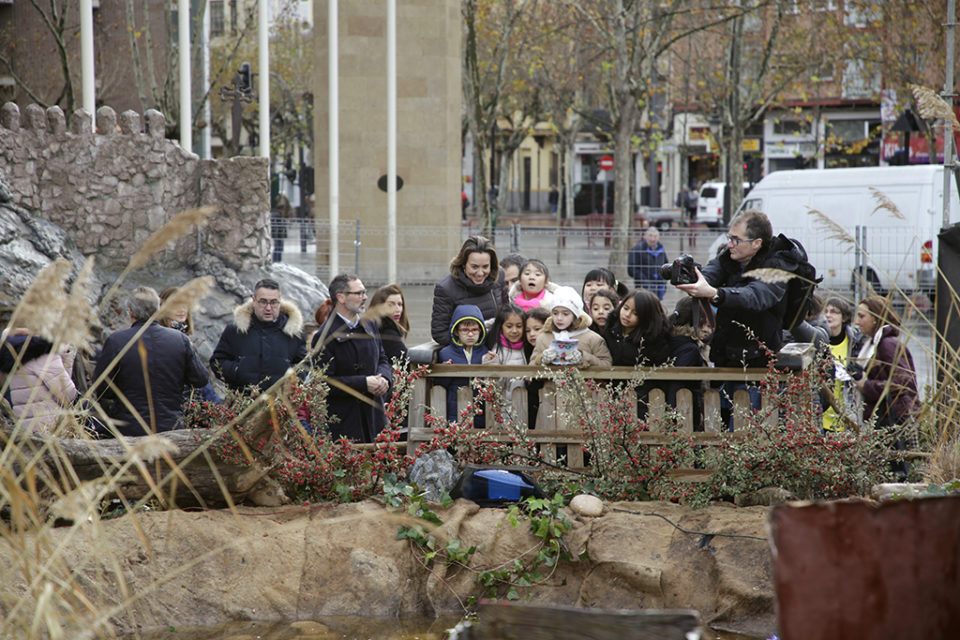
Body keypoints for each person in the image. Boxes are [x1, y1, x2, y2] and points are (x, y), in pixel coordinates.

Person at [676, 209, 797, 369]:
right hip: (724, 354)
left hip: (759, 360)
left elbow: (755, 296)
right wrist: (689, 277)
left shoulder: (777, 266)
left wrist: (716, 294)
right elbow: (710, 274)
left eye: (736, 240)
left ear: (756, 243)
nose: (730, 244)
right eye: (729, 238)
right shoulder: (729, 256)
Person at [91, 287, 210, 437]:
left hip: (128, 429)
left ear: (130, 312)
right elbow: (200, 379)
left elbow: (102, 388)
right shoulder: (180, 339)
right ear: (158, 309)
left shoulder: (116, 341)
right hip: (172, 427)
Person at [313, 274, 393, 442]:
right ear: (341, 297)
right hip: (345, 425)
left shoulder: (370, 324)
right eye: (359, 293)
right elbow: (323, 383)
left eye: (364, 292)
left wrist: (385, 379)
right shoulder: (325, 335)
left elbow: (382, 358)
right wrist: (363, 383)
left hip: (375, 419)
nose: (365, 297)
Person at [210, 278, 307, 393]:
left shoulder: (294, 332)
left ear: (280, 302)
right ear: (254, 301)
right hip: (242, 399)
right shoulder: (235, 330)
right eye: (263, 302)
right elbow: (217, 362)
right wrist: (237, 371)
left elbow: (305, 365)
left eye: (273, 302)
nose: (268, 308)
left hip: (280, 401)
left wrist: (289, 381)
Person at [852, 296, 919, 438]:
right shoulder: (872, 344)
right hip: (883, 418)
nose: (857, 322)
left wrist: (866, 385)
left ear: (876, 318)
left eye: (861, 316)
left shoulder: (887, 344)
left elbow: (903, 382)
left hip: (893, 420)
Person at [431, 235, 507, 346]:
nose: (480, 273)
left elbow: (506, 314)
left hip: (498, 346)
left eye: (485, 267)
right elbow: (440, 333)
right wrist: (470, 345)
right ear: (463, 264)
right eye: (474, 267)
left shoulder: (499, 276)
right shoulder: (446, 289)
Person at [3, 330, 77, 433]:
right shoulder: (43, 353)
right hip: (49, 427)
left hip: (26, 428)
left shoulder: (13, 351)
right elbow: (67, 394)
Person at [158, 286, 221, 404]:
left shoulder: (184, 336)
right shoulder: (161, 337)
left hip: (191, 400)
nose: (182, 309)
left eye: (185, 305)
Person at [438, 304, 497, 425]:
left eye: (474, 330)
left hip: (480, 410)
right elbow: (439, 385)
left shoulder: (486, 352)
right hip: (455, 409)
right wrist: (445, 371)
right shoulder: (446, 353)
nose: (470, 334)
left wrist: (490, 363)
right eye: (465, 330)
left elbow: (491, 383)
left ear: (481, 330)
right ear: (456, 331)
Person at [531, 287, 612, 368]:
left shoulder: (592, 338)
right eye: (555, 313)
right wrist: (541, 359)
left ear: (575, 315)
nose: (559, 318)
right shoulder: (543, 338)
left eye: (565, 314)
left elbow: (607, 365)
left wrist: (583, 357)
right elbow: (530, 367)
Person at [821, 297, 862, 432]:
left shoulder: (854, 343)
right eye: (826, 311)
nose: (828, 315)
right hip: (822, 417)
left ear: (844, 317)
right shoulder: (819, 341)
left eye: (833, 312)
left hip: (846, 416)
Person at [369, 284, 410, 364]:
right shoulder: (388, 334)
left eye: (400, 304)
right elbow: (407, 363)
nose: (397, 309)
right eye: (391, 305)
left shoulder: (374, 327)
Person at [627, 227, 669, 300]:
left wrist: (663, 280)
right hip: (643, 288)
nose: (652, 239)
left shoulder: (661, 249)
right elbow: (631, 269)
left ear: (658, 237)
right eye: (650, 236)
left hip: (659, 287)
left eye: (655, 236)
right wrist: (644, 280)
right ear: (645, 236)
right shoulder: (637, 249)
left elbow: (665, 264)